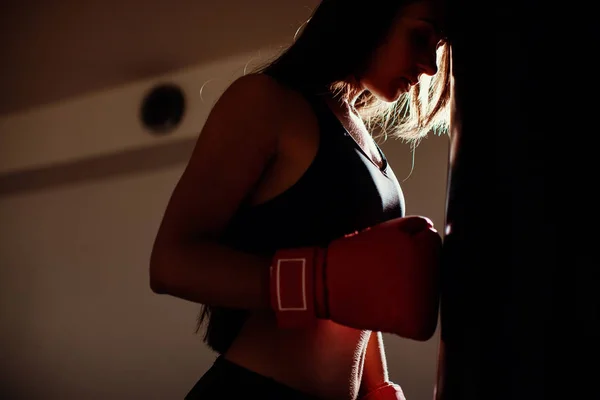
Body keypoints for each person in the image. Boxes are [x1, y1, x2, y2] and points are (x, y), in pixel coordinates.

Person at [149, 0, 451, 398]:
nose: (430, 65)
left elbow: (360, 289)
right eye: (421, 36)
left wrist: (378, 387)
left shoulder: (356, 129)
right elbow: (170, 263)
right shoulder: (265, 101)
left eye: (438, 46)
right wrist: (317, 282)